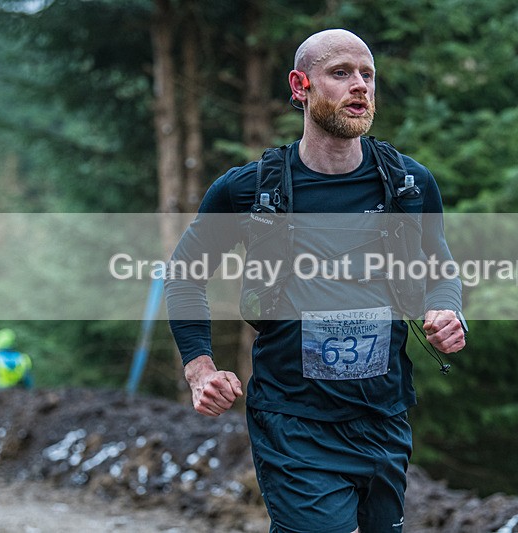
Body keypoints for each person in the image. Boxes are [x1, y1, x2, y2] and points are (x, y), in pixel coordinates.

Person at [165, 28, 466, 533]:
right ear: (300, 85)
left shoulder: (409, 184)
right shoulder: (248, 190)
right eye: (341, 73)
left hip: (383, 417)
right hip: (293, 421)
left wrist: (448, 309)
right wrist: (199, 368)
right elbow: (183, 275)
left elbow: (441, 267)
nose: (360, 85)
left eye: (367, 74)